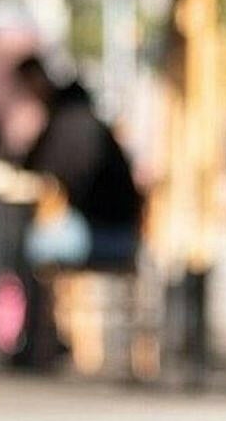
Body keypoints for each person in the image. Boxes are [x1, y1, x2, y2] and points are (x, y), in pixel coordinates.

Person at [12, 57, 143, 271]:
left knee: (27, 244)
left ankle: (22, 302)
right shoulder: (77, 116)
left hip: (108, 232)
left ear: (35, 81)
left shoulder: (69, 121)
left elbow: (46, 178)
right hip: (113, 227)